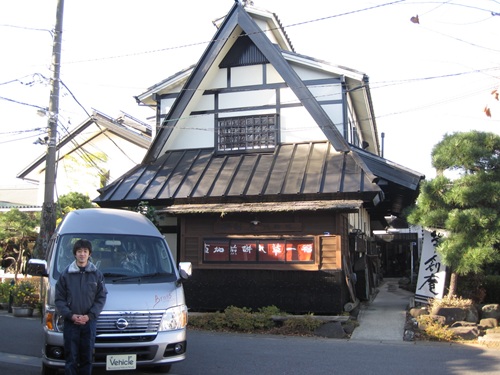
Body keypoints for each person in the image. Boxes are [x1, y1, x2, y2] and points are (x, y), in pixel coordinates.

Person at [55, 239, 107, 375]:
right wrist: (71, 316)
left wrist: (89, 316)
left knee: (87, 358)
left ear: (89, 254)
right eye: (79, 251)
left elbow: (101, 298)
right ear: (75, 254)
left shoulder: (96, 274)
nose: (82, 254)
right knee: (71, 358)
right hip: (71, 323)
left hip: (89, 323)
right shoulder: (66, 275)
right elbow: (59, 299)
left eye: (85, 251)